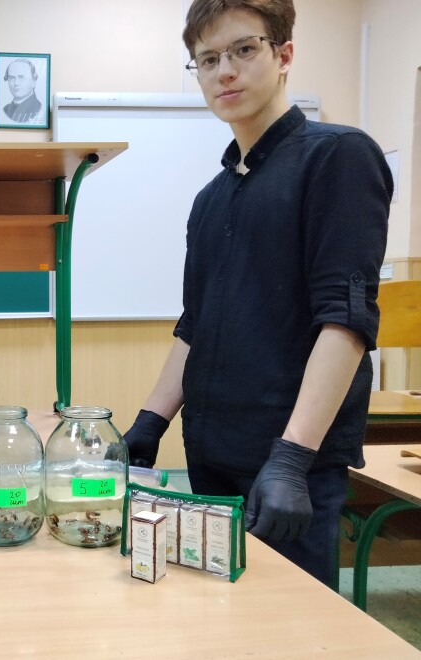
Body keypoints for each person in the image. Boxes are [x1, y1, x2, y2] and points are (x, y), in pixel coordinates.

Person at [121, 0, 392, 586]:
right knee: (215, 615)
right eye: (207, 59)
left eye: (243, 50)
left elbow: (346, 321)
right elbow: (195, 325)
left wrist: (293, 458)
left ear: (284, 54)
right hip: (210, 455)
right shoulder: (211, 198)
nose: (225, 71)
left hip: (287, 468)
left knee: (291, 624)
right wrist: (150, 421)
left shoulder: (338, 157)